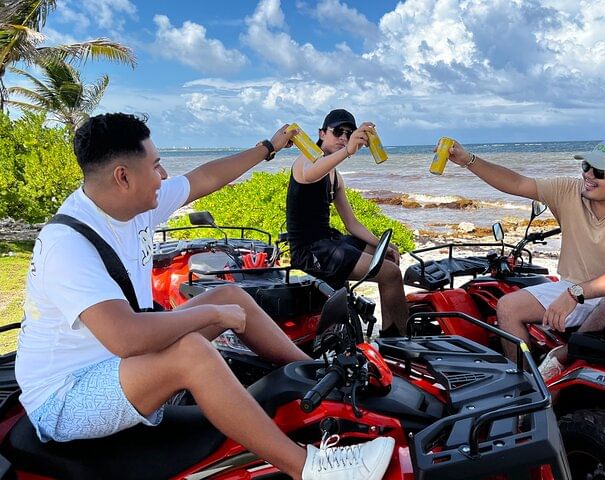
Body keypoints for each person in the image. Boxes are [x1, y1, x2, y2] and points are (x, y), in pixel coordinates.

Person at [16, 113, 394, 480]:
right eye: (157, 166)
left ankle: (319, 376)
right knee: (193, 352)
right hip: (66, 398)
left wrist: (268, 147)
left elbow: (205, 177)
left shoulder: (128, 204)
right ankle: (308, 468)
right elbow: (126, 337)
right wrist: (213, 318)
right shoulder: (68, 244)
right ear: (123, 176)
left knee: (229, 294)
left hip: (115, 362)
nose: (164, 176)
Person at [446, 138, 605, 380]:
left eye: (601, 172)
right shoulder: (568, 191)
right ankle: (526, 385)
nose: (589, 175)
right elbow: (517, 183)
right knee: (508, 307)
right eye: (586, 166)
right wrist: (468, 161)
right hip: (575, 285)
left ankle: (562, 357)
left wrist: (575, 294)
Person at [285, 109, 408, 336]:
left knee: (386, 258)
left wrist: (383, 245)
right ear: (322, 133)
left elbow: (351, 223)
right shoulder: (305, 160)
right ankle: (400, 341)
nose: (344, 138)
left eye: (349, 133)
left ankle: (390, 333)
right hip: (310, 250)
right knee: (390, 273)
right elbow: (311, 174)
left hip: (329, 240)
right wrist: (348, 151)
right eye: (338, 132)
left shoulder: (335, 176)